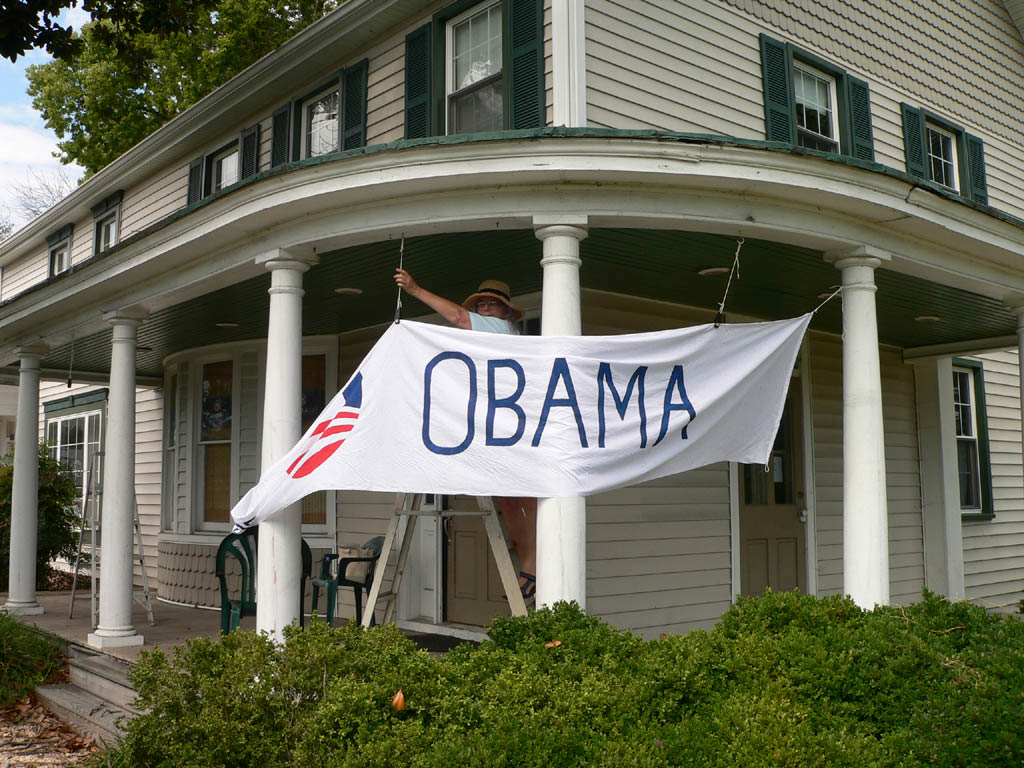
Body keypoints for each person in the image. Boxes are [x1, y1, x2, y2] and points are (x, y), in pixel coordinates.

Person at [394, 268, 538, 603]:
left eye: (493, 304)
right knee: (508, 500)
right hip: (494, 423)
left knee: (525, 500)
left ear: (505, 312)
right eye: (482, 304)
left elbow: (458, 316)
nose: (485, 308)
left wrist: (415, 289)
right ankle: (529, 566)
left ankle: (532, 566)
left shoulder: (500, 329)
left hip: (507, 424)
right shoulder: (484, 337)